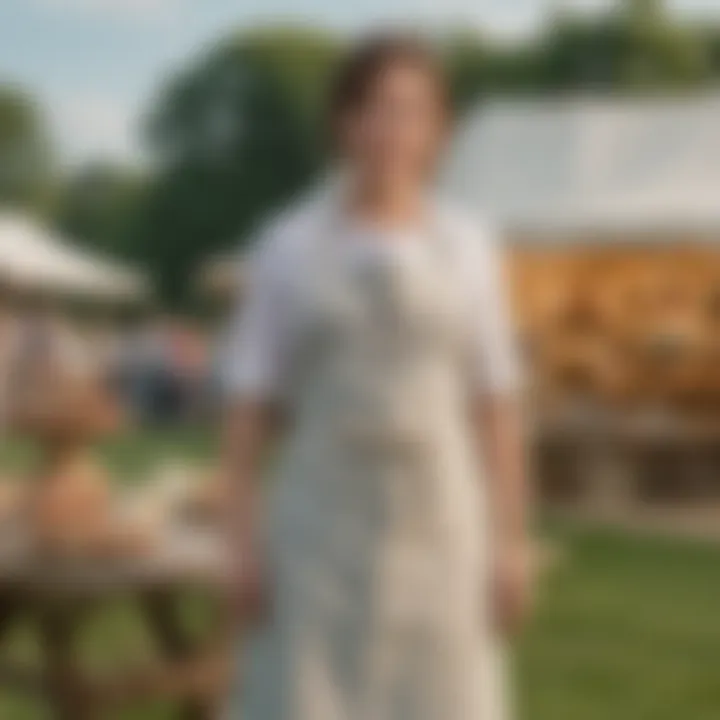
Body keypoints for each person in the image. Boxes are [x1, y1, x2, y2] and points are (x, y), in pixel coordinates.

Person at [222, 34, 530, 720]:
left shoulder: (470, 246)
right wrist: (239, 547)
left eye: (413, 112)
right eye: (376, 109)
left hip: (442, 529)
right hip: (316, 531)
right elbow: (247, 405)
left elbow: (496, 400)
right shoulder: (287, 244)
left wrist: (509, 544)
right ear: (344, 122)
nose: (393, 130)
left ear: (440, 131)